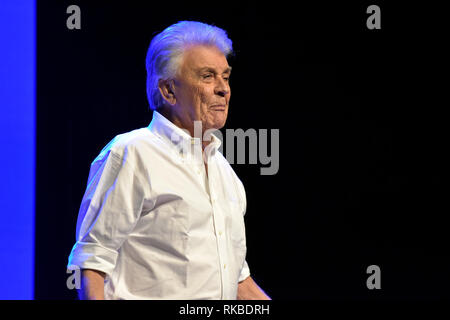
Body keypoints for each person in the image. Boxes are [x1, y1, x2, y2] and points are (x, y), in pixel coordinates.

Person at [67, 20, 271, 300]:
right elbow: (91, 265)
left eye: (226, 76)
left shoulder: (224, 172)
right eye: (208, 76)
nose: (224, 89)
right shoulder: (132, 153)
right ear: (168, 90)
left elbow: (236, 280)